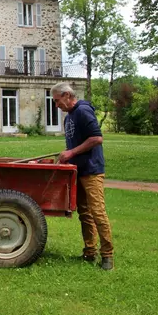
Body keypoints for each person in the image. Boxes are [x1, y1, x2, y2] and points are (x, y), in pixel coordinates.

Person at [51, 82, 114, 271]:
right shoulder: (69, 117)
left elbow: (97, 138)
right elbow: (75, 146)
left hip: (92, 170)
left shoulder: (83, 111)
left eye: (57, 100)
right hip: (78, 170)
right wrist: (67, 155)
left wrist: (71, 153)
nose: (56, 105)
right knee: (84, 214)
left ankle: (107, 256)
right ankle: (89, 252)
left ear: (68, 95)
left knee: (97, 212)